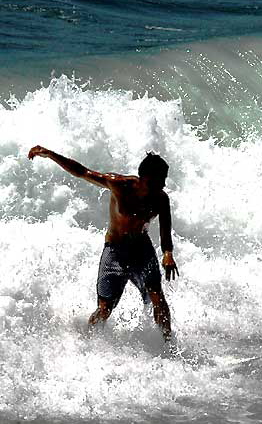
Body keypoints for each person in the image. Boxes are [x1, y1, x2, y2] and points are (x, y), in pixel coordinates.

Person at [27, 146, 179, 340]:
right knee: (105, 308)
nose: (164, 185)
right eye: (160, 180)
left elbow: (165, 231)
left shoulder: (160, 199)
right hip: (115, 251)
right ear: (146, 179)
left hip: (142, 250)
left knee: (158, 299)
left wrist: (168, 254)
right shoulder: (120, 185)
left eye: (164, 179)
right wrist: (50, 155)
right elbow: (82, 172)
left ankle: (168, 345)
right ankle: (87, 341)